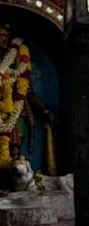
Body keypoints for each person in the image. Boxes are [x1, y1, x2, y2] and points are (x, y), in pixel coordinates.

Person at [0, 24, 55, 177]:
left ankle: (11, 181)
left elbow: (28, 93)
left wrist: (44, 111)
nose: (2, 39)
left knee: (14, 147)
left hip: (15, 113)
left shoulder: (16, 66)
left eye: (5, 36)